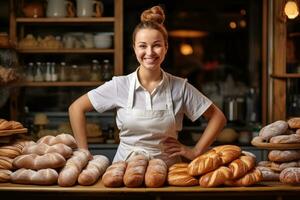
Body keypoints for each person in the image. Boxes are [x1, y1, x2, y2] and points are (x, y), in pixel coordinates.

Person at [68, 5, 227, 167]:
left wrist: (195, 151)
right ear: (135, 48)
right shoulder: (119, 85)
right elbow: (76, 108)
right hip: (124, 172)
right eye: (143, 46)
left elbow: (218, 117)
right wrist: (84, 152)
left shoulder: (180, 87)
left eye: (157, 45)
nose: (150, 52)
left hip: (167, 172)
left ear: (166, 47)